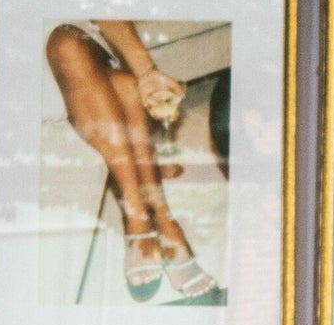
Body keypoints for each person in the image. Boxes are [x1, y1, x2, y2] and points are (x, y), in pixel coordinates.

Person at [42, 19, 216, 305]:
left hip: (71, 34)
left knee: (78, 47)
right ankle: (158, 223)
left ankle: (144, 222)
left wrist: (148, 73)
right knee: (114, 79)